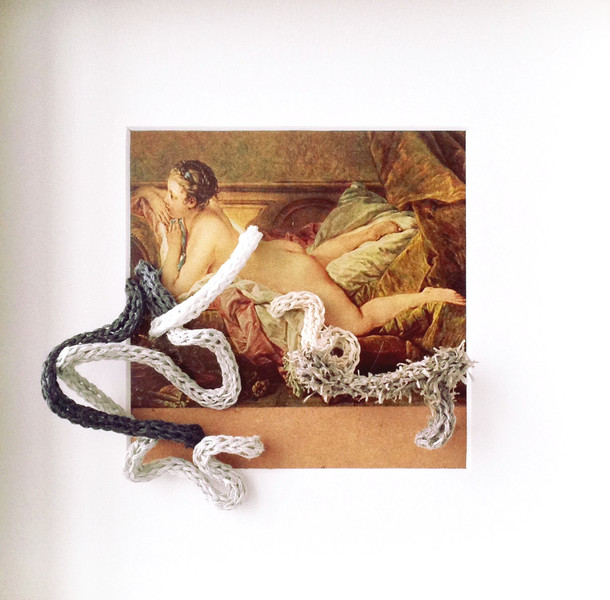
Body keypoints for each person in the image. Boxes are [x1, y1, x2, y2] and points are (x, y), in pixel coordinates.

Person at [150, 160, 465, 337]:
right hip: (284, 256)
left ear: (192, 201)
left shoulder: (206, 230)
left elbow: (175, 289)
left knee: (357, 323)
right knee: (315, 259)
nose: (167, 199)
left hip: (292, 271)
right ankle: (370, 232)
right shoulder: (209, 206)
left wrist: (173, 245)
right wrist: (149, 196)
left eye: (172, 195)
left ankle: (425, 296)